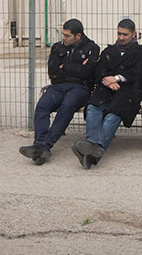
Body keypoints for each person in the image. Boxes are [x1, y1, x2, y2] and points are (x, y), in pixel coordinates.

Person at [71, 19, 142, 169]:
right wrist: (106, 81)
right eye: (119, 33)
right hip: (105, 88)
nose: (121, 37)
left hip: (128, 92)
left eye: (125, 34)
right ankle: (92, 146)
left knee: (113, 114)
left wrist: (116, 78)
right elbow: (99, 72)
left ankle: (91, 152)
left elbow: (140, 74)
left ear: (134, 34)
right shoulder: (108, 52)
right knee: (93, 108)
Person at [20, 18, 100, 165]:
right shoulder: (57, 47)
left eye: (67, 36)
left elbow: (87, 74)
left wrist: (66, 67)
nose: (63, 38)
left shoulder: (92, 48)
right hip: (58, 86)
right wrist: (76, 68)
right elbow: (53, 72)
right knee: (42, 105)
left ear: (78, 36)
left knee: (68, 105)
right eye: (63, 34)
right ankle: (39, 142)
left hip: (80, 88)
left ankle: (45, 145)